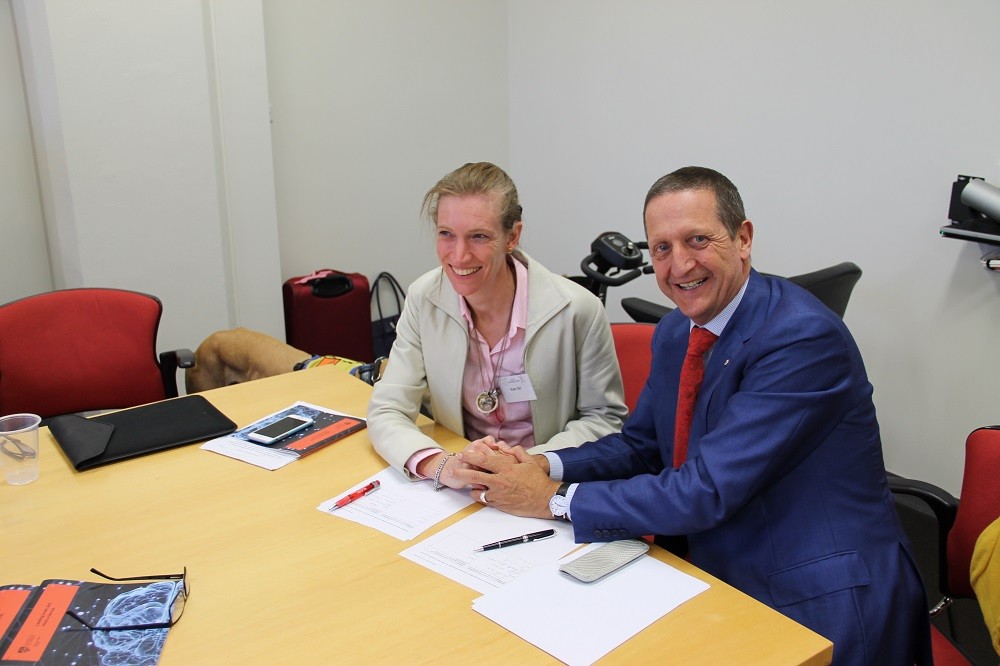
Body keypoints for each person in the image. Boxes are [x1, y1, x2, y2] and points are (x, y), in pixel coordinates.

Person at [451, 166, 932, 665]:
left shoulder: (803, 339)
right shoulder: (678, 332)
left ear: (743, 238)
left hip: (816, 593)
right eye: (661, 248)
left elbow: (705, 490)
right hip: (712, 564)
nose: (678, 265)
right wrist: (543, 465)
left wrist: (551, 500)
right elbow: (641, 446)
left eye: (697, 240)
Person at [367, 161, 627, 489]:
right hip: (463, 483)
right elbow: (387, 409)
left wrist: (530, 464)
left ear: (512, 236)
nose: (459, 256)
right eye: (446, 234)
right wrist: (441, 465)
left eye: (478, 236)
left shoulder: (578, 310)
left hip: (544, 482)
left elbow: (605, 420)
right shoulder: (424, 298)